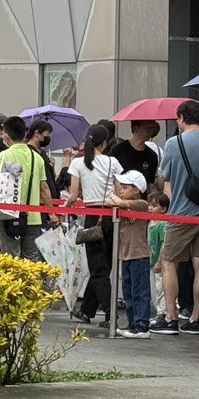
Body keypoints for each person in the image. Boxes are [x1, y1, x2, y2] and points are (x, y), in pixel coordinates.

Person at [150, 100, 199, 336]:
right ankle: (193, 318)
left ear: (181, 118)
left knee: (169, 262)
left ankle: (170, 317)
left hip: (181, 211)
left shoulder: (174, 143)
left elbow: (164, 177)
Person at [66, 125, 122, 323]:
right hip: (111, 215)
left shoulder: (78, 163)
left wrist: (64, 207)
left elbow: (73, 196)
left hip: (92, 216)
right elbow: (119, 192)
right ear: (105, 143)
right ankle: (87, 310)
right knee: (104, 267)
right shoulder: (112, 162)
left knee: (97, 268)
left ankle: (110, 312)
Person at [0, 115, 53, 261]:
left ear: (6, 135)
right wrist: (52, 214)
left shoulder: (4, 155)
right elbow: (44, 188)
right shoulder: (36, 157)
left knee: (10, 259)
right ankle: (31, 284)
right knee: (31, 260)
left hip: (9, 215)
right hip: (33, 217)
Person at [105, 169, 152, 337]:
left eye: (126, 187)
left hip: (139, 255)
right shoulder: (122, 203)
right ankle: (133, 323)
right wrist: (118, 201)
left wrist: (119, 202)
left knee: (140, 292)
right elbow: (111, 199)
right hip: (125, 255)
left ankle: (142, 325)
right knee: (128, 292)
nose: (122, 190)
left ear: (137, 190)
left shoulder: (142, 204)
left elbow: (117, 201)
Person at [147, 187, 169, 316]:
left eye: (154, 206)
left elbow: (163, 244)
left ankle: (162, 312)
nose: (150, 208)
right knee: (154, 289)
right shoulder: (150, 222)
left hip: (159, 262)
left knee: (160, 289)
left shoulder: (162, 224)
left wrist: (159, 262)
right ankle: (158, 312)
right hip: (151, 261)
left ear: (163, 209)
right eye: (149, 205)